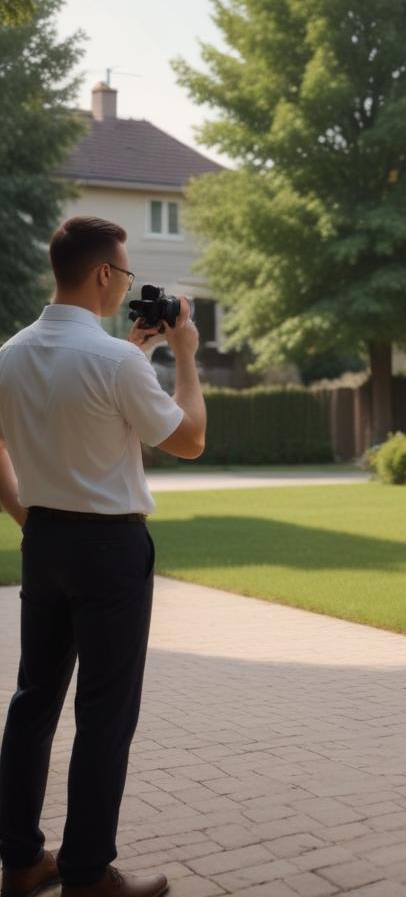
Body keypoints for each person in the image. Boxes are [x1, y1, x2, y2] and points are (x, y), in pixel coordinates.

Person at [0, 217, 207, 897]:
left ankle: (21, 860)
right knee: (104, 712)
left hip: (46, 540)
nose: (125, 286)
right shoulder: (113, 360)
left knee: (33, 704)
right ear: (101, 276)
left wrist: (30, 517)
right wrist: (184, 353)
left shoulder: (11, 354)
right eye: (122, 274)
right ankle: (89, 875)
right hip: (109, 548)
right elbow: (189, 441)